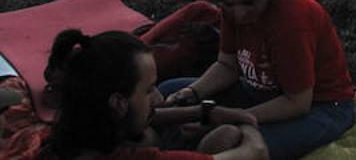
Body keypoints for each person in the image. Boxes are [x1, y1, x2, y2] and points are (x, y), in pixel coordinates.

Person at [160, 0, 355, 158]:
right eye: (229, 4)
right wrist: (192, 93)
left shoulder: (290, 23)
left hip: (321, 107)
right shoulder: (232, 12)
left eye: (249, 2)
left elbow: (298, 102)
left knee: (232, 141)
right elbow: (227, 65)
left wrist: (233, 117)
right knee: (170, 91)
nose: (240, 13)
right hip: (263, 94)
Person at [47, 28, 266, 159]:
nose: (159, 99)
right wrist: (245, 123)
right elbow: (256, 152)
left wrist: (204, 111)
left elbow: (142, 115)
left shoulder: (78, 125)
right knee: (228, 135)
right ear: (118, 102)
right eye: (149, 90)